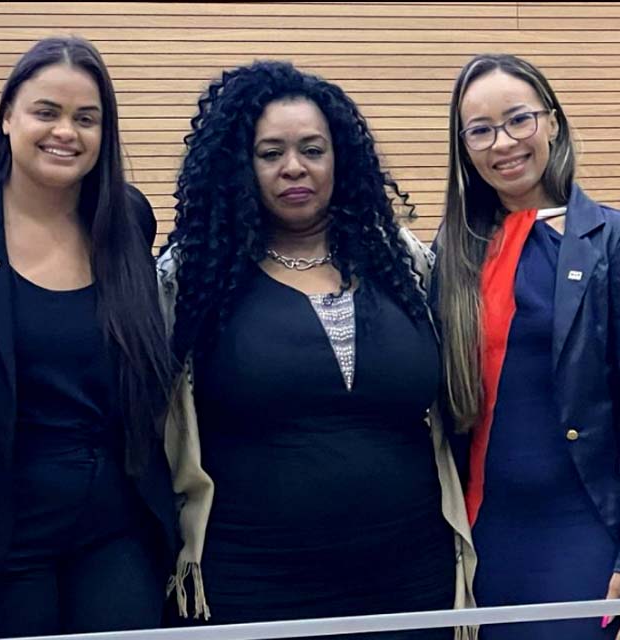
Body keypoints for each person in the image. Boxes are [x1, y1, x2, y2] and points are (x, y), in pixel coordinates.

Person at [158, 60, 474, 639]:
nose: (294, 167)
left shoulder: (403, 262)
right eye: (270, 153)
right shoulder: (193, 277)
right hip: (255, 583)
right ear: (240, 165)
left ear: (339, 157)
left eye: (312, 149)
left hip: (412, 577)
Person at [0, 36, 177, 639]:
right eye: (46, 111)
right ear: (7, 117)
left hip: (115, 526)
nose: (65, 132)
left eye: (86, 118)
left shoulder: (126, 217)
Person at [435, 53, 620, 640]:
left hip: (585, 532)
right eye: (480, 130)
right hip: (482, 535)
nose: (503, 143)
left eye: (519, 119)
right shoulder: (451, 255)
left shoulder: (610, 242)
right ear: (464, 147)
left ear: (553, 123)